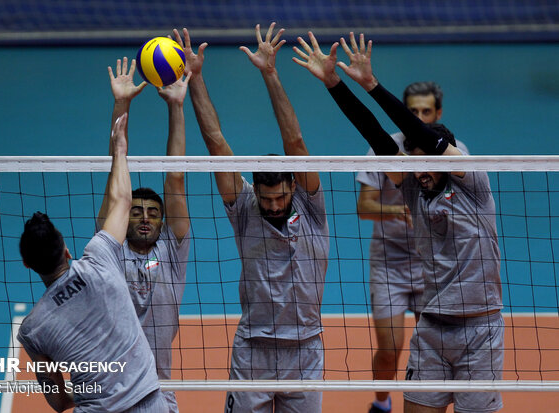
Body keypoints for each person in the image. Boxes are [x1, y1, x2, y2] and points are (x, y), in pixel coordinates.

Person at [295, 32, 503, 413]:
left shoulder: (471, 181)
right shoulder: (411, 188)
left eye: (425, 161)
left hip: (480, 331)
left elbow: (418, 131)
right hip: (432, 330)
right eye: (412, 161)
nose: (417, 169)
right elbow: (374, 134)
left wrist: (372, 84)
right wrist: (334, 84)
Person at [174, 24, 329, 413]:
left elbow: (294, 144)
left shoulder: (312, 207)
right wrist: (195, 77)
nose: (274, 205)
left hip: (306, 349)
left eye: (279, 197)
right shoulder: (245, 208)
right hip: (253, 350)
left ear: (293, 187)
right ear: (255, 193)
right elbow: (216, 142)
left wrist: (270, 73)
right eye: (267, 199)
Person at [17, 113, 169, 412]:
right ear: (67, 252)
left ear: (28, 265)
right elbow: (123, 200)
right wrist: (120, 148)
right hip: (149, 403)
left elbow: (59, 401)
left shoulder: (32, 330)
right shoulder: (100, 258)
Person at [96, 57, 191, 413]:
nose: (145, 219)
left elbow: (176, 177)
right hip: (111, 388)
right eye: (135, 212)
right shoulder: (109, 249)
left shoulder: (173, 250)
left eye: (153, 213)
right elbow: (115, 173)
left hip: (157, 388)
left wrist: (177, 108)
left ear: (164, 222)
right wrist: (122, 103)